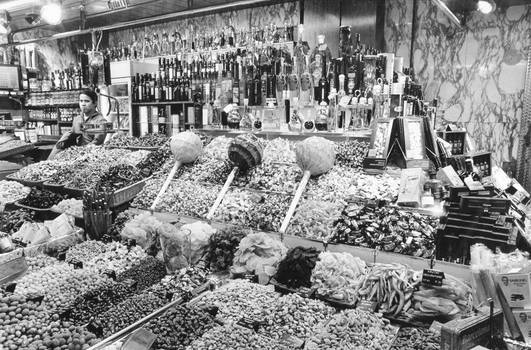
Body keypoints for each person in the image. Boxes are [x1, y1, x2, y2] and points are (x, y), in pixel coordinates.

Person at [48, 89, 108, 160]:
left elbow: (96, 143)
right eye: (81, 101)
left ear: (95, 103)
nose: (83, 104)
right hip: (75, 155)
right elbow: (72, 137)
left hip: (92, 157)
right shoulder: (77, 119)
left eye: (87, 101)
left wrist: (78, 152)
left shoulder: (101, 121)